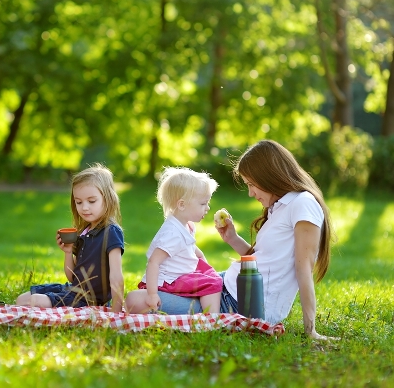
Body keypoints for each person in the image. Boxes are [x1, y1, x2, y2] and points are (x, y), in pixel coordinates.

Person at [126, 140, 336, 340]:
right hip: (227, 286)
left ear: (270, 176)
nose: (250, 193)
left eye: (252, 184)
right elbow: (262, 261)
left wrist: (311, 330)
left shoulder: (303, 204)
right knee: (152, 290)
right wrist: (232, 239)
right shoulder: (279, 207)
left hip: (237, 303)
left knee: (135, 300)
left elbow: (303, 269)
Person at [16, 163, 125, 312]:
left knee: (31, 301)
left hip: (87, 299)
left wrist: (117, 311)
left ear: (108, 199)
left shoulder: (111, 232)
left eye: (91, 201)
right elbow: (72, 277)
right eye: (78, 202)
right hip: (72, 290)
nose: (84, 207)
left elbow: (116, 276)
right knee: (21, 299)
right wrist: (68, 252)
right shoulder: (84, 232)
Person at [125, 167, 222, 314]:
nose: (207, 208)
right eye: (203, 203)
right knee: (213, 282)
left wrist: (203, 261)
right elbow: (154, 261)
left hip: (180, 275)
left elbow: (191, 248)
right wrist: (152, 294)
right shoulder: (172, 233)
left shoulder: (186, 225)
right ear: (182, 204)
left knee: (211, 277)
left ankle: (207, 311)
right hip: (169, 281)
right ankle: (212, 317)